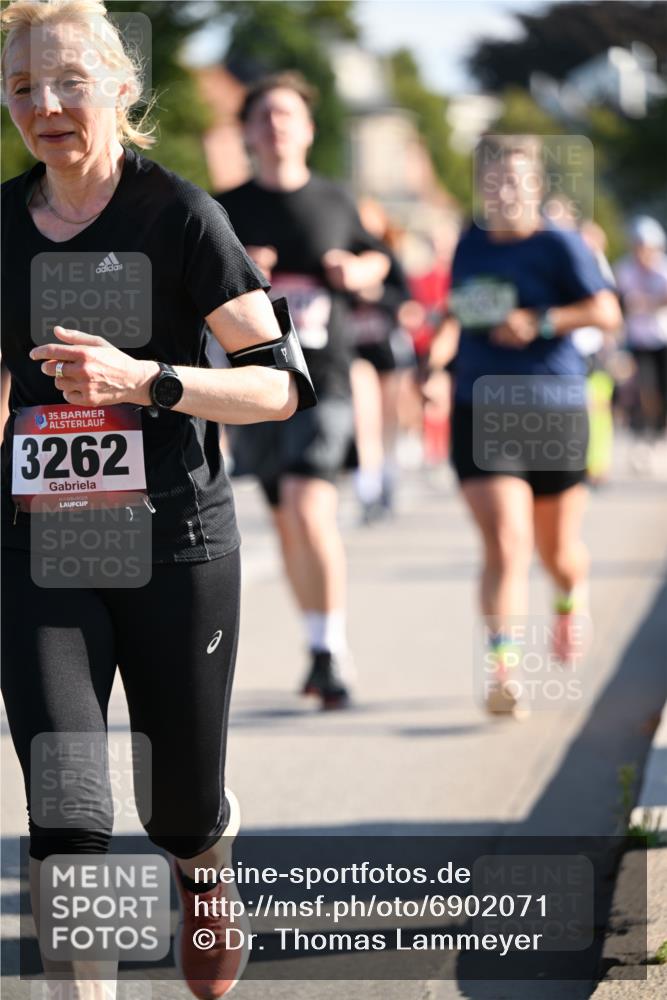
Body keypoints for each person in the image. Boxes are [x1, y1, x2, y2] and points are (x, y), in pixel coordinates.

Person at [0, 3, 314, 998]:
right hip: (43, 548)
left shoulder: (179, 215)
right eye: (22, 87)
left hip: (173, 543)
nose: (45, 105)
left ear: (120, 88)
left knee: (176, 809)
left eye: (68, 81)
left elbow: (280, 385)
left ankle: (204, 859)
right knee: (67, 814)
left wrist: (147, 381)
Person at [428, 134, 621, 718]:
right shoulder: (470, 244)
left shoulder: (560, 244)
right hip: (481, 407)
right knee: (507, 541)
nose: (503, 191)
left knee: (557, 551)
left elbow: (607, 312)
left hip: (553, 408)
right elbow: (454, 313)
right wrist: (432, 367)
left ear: (536, 186)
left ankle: (569, 595)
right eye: (492, 181)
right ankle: (503, 670)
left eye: (514, 180)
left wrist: (540, 322)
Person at [216, 71, 391, 708]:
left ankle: (331, 648)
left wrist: (357, 269)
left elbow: (382, 260)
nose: (275, 125)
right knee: (285, 519)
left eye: (287, 114)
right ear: (246, 132)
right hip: (254, 383)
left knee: (308, 502)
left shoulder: (336, 200)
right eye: (263, 116)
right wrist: (240, 269)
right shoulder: (222, 207)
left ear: (309, 130)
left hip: (325, 377)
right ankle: (316, 643)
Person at [347, 198, 412, 522]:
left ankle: (388, 478)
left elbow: (406, 302)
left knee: (388, 420)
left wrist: (378, 296)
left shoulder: (387, 256)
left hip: (386, 347)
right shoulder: (344, 256)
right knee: (364, 418)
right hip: (355, 348)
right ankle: (367, 487)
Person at [614, 216, 667, 474]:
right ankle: (643, 440)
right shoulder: (624, 270)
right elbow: (619, 303)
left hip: (662, 339)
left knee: (662, 392)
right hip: (638, 341)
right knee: (644, 390)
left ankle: (658, 437)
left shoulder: (663, 269)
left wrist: (649, 302)